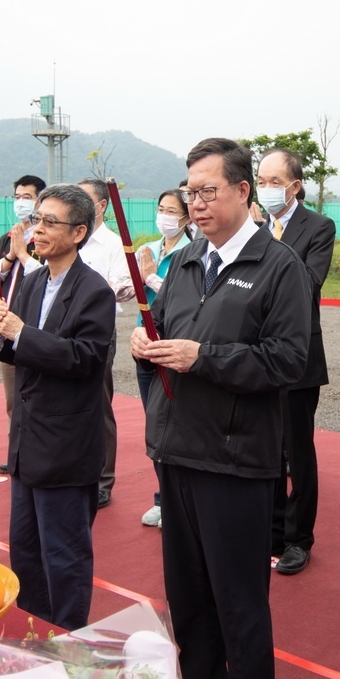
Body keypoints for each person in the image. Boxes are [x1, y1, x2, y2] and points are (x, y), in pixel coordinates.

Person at [131, 137, 310, 679]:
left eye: (208, 191)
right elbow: (164, 333)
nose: (196, 204)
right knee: (188, 602)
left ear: (242, 190)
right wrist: (146, 345)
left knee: (239, 605)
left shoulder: (279, 267)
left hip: (236, 462)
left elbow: (289, 360)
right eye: (190, 193)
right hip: (177, 452)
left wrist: (203, 357)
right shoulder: (183, 261)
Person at [0, 183, 114, 630]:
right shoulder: (33, 279)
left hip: (65, 447)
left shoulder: (94, 291)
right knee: (24, 550)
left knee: (64, 555)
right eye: (35, 219)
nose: (36, 229)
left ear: (78, 232)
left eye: (48, 222)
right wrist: (1, 334)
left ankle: (69, 639)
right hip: (25, 443)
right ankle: (32, 632)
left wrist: (21, 333)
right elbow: (16, 350)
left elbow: (84, 358)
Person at [259, 147, 336, 575]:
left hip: (299, 356)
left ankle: (298, 538)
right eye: (262, 181)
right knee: (265, 448)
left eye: (275, 182)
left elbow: (307, 283)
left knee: (297, 451)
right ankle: (268, 531)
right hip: (258, 355)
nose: (267, 189)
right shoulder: (253, 227)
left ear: (295, 186)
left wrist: (271, 246)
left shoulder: (318, 227)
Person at [75, 178, 137, 509]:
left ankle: (103, 479)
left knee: (98, 402)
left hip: (97, 331)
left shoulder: (113, 245)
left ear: (101, 206)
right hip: (60, 329)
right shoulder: (70, 236)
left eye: (82, 198)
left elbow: (121, 285)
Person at [134, 189, 191, 528]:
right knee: (154, 426)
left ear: (185, 218)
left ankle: (177, 500)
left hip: (174, 345)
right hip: (145, 345)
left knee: (177, 424)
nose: (165, 216)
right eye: (161, 209)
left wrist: (149, 277)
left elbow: (182, 293)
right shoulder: (149, 250)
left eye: (172, 210)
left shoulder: (190, 251)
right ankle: (162, 497)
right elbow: (132, 290)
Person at [0, 175, 46, 475]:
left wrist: (25, 254)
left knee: (37, 394)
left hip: (34, 326)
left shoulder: (46, 237)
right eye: (17, 195)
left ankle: (37, 452)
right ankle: (16, 451)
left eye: (27, 196)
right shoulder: (6, 237)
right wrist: (11, 254)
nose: (21, 202)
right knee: (13, 398)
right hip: (5, 325)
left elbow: (49, 276)